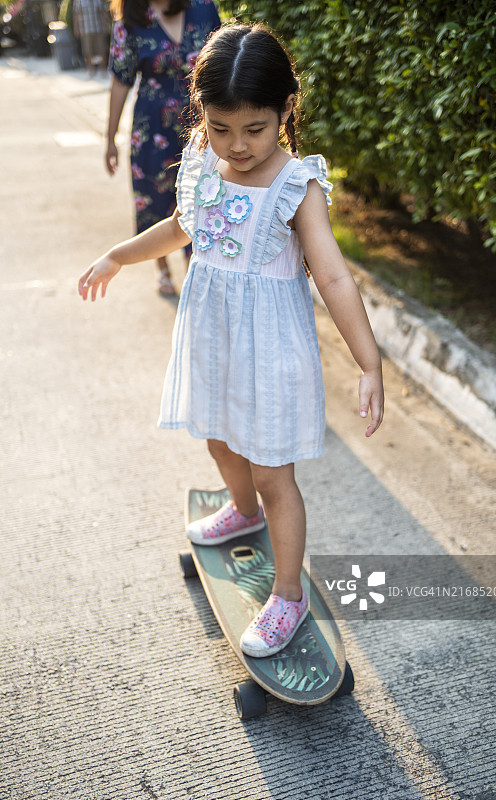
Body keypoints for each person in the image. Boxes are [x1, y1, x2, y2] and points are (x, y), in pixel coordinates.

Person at [79, 23, 384, 657]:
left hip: (270, 355)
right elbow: (179, 228)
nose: (237, 145)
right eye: (221, 128)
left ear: (283, 111)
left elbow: (332, 274)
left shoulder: (295, 188)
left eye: (255, 129)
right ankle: (241, 510)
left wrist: (368, 362)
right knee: (219, 442)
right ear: (202, 113)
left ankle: (289, 595)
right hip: (214, 340)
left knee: (277, 476)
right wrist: (117, 255)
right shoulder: (201, 158)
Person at [106, 0, 220, 295]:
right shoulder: (130, 21)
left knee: (201, 197)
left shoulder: (204, 8)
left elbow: (227, 63)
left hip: (203, 126)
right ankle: (162, 269)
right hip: (152, 128)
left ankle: (195, 269)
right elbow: (121, 80)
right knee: (153, 198)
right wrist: (110, 139)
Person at [73, 0, 110, 75]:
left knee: (102, 50)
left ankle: (102, 69)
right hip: (85, 30)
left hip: (99, 28)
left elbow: (103, 12)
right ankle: (90, 69)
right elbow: (76, 14)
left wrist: (107, 25)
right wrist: (76, 28)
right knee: (88, 51)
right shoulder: (79, 1)